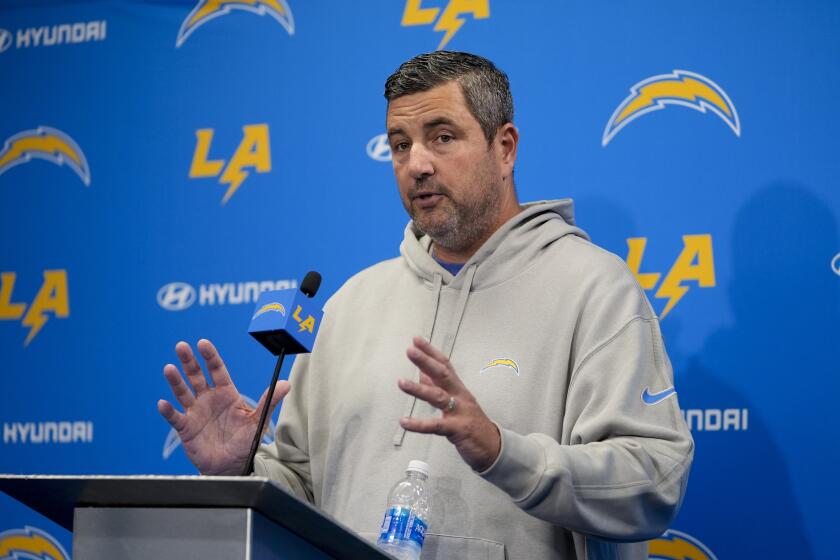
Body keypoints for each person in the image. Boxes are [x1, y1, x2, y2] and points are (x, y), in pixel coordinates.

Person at [158, 51, 694, 559]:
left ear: (504, 148)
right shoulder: (352, 304)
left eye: (441, 137)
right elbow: (304, 489)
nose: (416, 164)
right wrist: (243, 474)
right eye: (399, 144)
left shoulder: (594, 288)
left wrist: (505, 454)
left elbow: (652, 481)